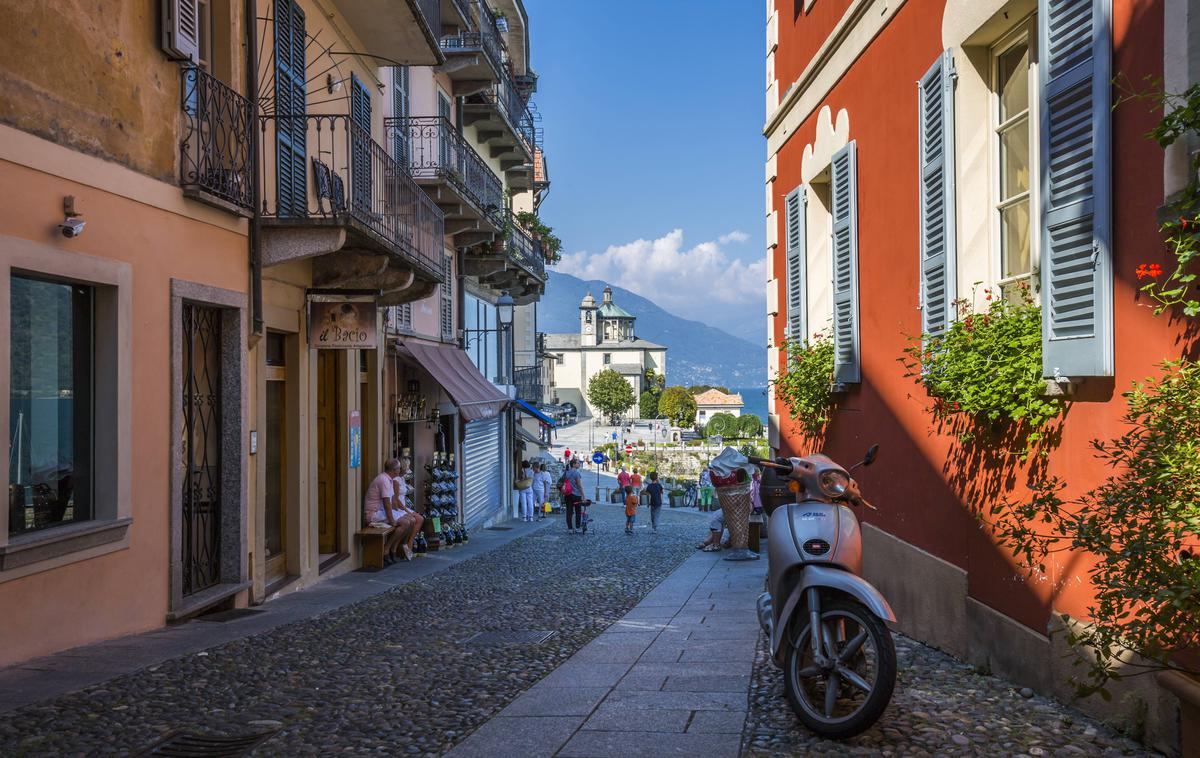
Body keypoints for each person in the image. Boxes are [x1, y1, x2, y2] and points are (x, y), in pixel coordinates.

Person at [364, 458, 408, 564]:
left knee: (409, 520)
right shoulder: (384, 480)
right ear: (394, 470)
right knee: (405, 522)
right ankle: (386, 549)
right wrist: (392, 520)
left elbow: (392, 501)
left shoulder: (389, 479)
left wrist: (400, 511)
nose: (400, 470)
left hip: (380, 512)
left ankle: (393, 548)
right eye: (398, 468)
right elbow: (386, 503)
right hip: (373, 514)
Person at [392, 458, 423, 560]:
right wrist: (406, 510)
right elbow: (395, 499)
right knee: (415, 519)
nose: (408, 469)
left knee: (420, 519)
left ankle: (408, 543)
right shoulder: (395, 480)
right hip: (398, 508)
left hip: (403, 507)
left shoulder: (402, 478)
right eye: (407, 467)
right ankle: (405, 545)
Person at [562, 458, 585, 533]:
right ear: (574, 464)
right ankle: (578, 528)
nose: (579, 464)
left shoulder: (566, 472)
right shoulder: (577, 473)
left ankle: (570, 529)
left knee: (569, 512)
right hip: (576, 495)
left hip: (568, 494)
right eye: (578, 463)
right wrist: (583, 495)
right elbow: (579, 485)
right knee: (578, 512)